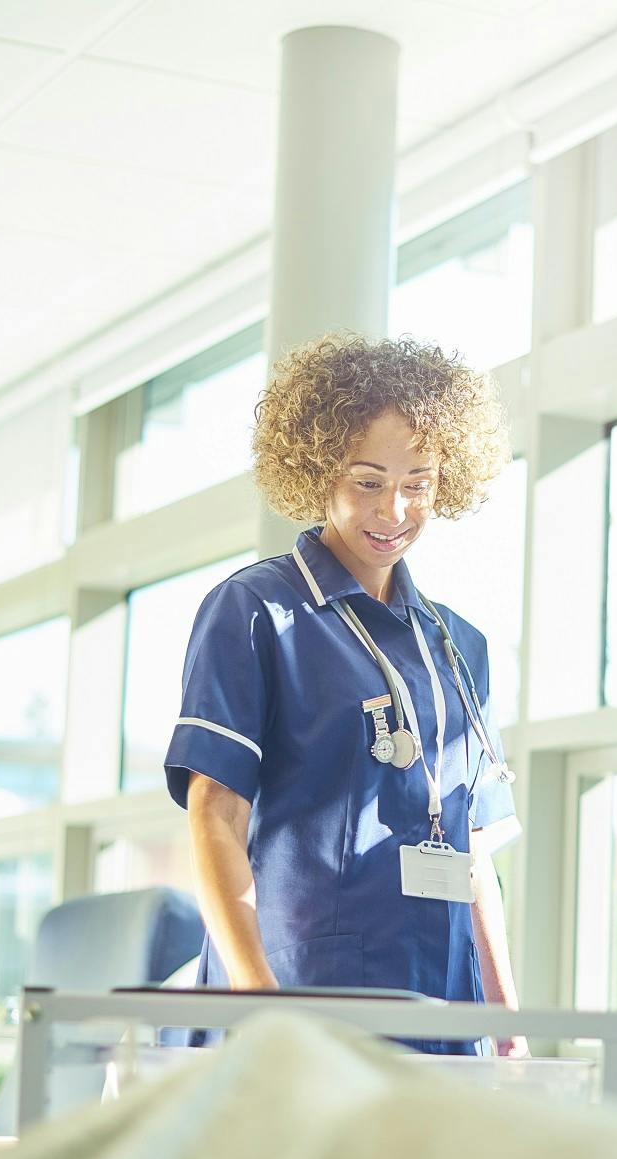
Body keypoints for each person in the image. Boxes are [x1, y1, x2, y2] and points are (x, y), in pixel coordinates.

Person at [164, 332, 524, 1054]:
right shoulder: (258, 612)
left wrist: (507, 1025)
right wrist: (255, 998)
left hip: (442, 1012)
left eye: (418, 482)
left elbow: (474, 852)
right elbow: (215, 813)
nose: (394, 510)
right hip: (299, 1003)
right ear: (317, 466)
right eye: (367, 481)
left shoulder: (459, 646)